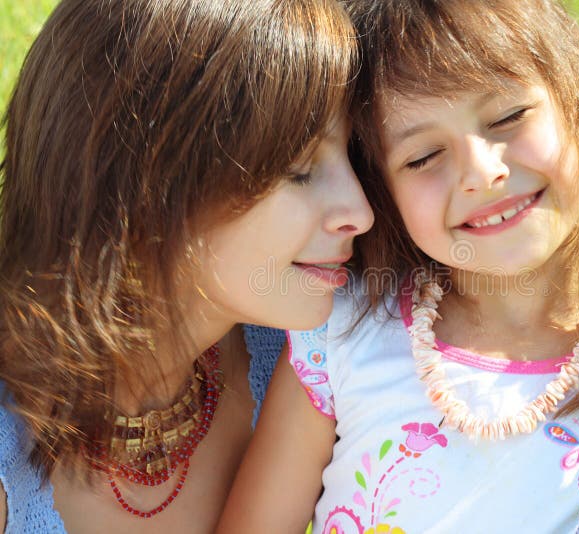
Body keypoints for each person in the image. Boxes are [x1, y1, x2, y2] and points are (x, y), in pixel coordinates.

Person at [219, 0, 579, 532]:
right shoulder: (341, 335)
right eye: (422, 157)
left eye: (508, 117)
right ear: (381, 188)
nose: (481, 172)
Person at [0, 0, 373, 532]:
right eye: (299, 168)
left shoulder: (311, 362)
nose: (359, 212)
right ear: (144, 184)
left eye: (353, 158)